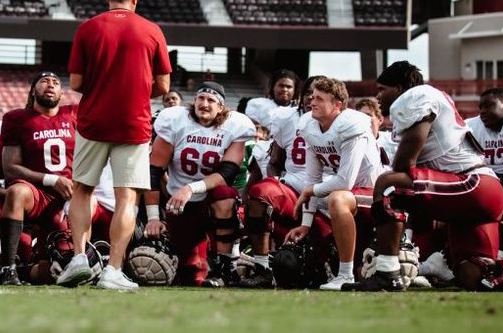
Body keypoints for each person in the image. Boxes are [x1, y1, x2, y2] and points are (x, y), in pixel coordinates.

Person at [345, 61, 503, 291]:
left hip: (473, 184)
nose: (378, 97)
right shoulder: (425, 99)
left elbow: (405, 165)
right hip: (479, 194)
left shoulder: (416, 95)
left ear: (399, 88)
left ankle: (387, 274)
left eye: (381, 89)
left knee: (389, 185)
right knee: (476, 276)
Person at [59, 0, 171, 290]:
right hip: (133, 122)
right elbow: (163, 86)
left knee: (82, 189)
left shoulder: (87, 27)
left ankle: (80, 257)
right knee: (126, 197)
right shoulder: (152, 30)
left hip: (93, 120)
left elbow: (77, 83)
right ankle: (112, 270)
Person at [144, 82, 254, 287]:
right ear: (193, 101)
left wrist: (190, 188)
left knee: (225, 194)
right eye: (200, 98)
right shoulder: (175, 120)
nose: (204, 103)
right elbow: (153, 171)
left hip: (209, 201)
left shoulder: (234, 126)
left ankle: (224, 266)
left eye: (211, 100)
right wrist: (152, 217)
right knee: (190, 274)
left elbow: (226, 173)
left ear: (221, 107)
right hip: (179, 206)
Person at [286, 77, 383, 290]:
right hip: (349, 194)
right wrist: (306, 223)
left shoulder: (351, 125)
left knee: (336, 198)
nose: (312, 102)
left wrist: (311, 190)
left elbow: (345, 181)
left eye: (319, 99)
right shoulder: (310, 126)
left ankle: (345, 274)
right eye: (312, 97)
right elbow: (312, 179)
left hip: (374, 194)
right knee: (320, 196)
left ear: (337, 104)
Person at [0, 71, 77, 285]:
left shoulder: (74, 114)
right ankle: (8, 267)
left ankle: (24, 272)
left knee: (58, 272)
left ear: (61, 92)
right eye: (44, 82)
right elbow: (10, 168)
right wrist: (51, 180)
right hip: (36, 193)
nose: (50, 85)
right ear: (33, 90)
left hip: (66, 198)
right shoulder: (17, 118)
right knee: (16, 191)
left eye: (56, 82)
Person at [241, 75, 320, 287]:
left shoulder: (339, 122)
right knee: (260, 192)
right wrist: (276, 182)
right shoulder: (287, 118)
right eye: (309, 92)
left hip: (326, 191)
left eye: (318, 93)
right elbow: (275, 161)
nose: (312, 97)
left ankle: (346, 270)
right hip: (293, 188)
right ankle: (262, 267)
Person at [466, 88, 503, 187]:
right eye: (481, 107)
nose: (482, 111)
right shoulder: (469, 126)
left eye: (488, 106)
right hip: (485, 178)